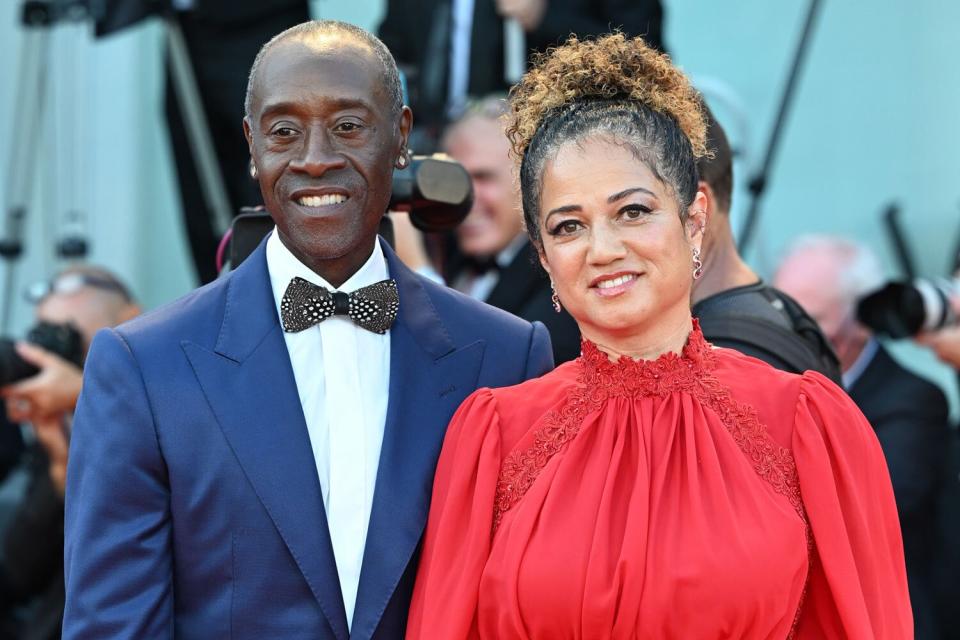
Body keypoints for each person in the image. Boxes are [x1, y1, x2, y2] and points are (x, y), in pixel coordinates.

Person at [406, 34, 911, 638]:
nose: (604, 250)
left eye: (634, 211)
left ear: (694, 219)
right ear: (543, 256)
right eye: (569, 226)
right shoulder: (492, 436)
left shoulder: (805, 423)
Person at [62, 21, 553, 640]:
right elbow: (113, 626)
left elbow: (528, 611)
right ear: (251, 147)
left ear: (400, 136)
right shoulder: (143, 367)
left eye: (348, 126)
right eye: (284, 131)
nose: (315, 158)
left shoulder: (508, 355)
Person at [774, 236, 951, 639]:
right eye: (784, 318)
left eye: (814, 320)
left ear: (865, 319)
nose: (794, 336)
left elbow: (868, 508)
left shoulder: (912, 399)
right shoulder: (771, 385)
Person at [0, 266, 140, 640]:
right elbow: (17, 574)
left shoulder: (178, 387)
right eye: (45, 341)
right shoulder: (56, 433)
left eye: (68, 338)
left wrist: (88, 396)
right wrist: (63, 469)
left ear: (131, 319)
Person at [378, 0, 664, 150]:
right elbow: (394, 55)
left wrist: (545, 19)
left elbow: (642, 59)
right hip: (432, 142)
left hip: (548, 142)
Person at [691, 106, 842, 384]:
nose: (603, 248)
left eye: (634, 210)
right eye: (581, 222)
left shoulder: (733, 359)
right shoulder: (780, 313)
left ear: (698, 212)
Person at [443, 96, 580, 363]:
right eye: (454, 179)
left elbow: (488, 370)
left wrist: (421, 269)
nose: (466, 197)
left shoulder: (559, 278)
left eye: (483, 178)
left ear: (528, 183)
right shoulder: (447, 256)